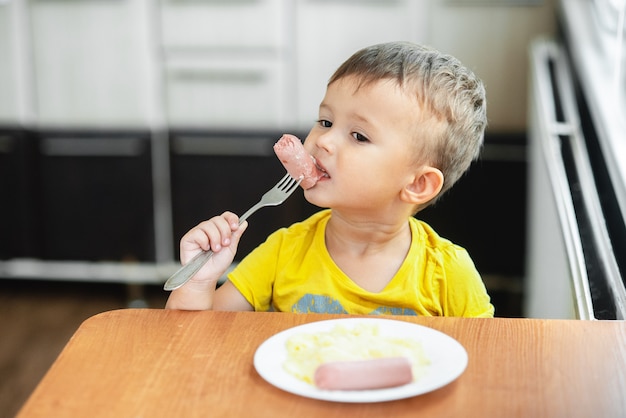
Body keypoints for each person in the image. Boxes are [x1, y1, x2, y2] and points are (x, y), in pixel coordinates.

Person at [166, 41, 494, 317]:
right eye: (325, 121)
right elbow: (193, 341)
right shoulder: (284, 252)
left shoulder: (448, 273)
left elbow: (489, 360)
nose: (323, 141)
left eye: (358, 135)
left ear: (417, 184)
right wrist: (198, 281)